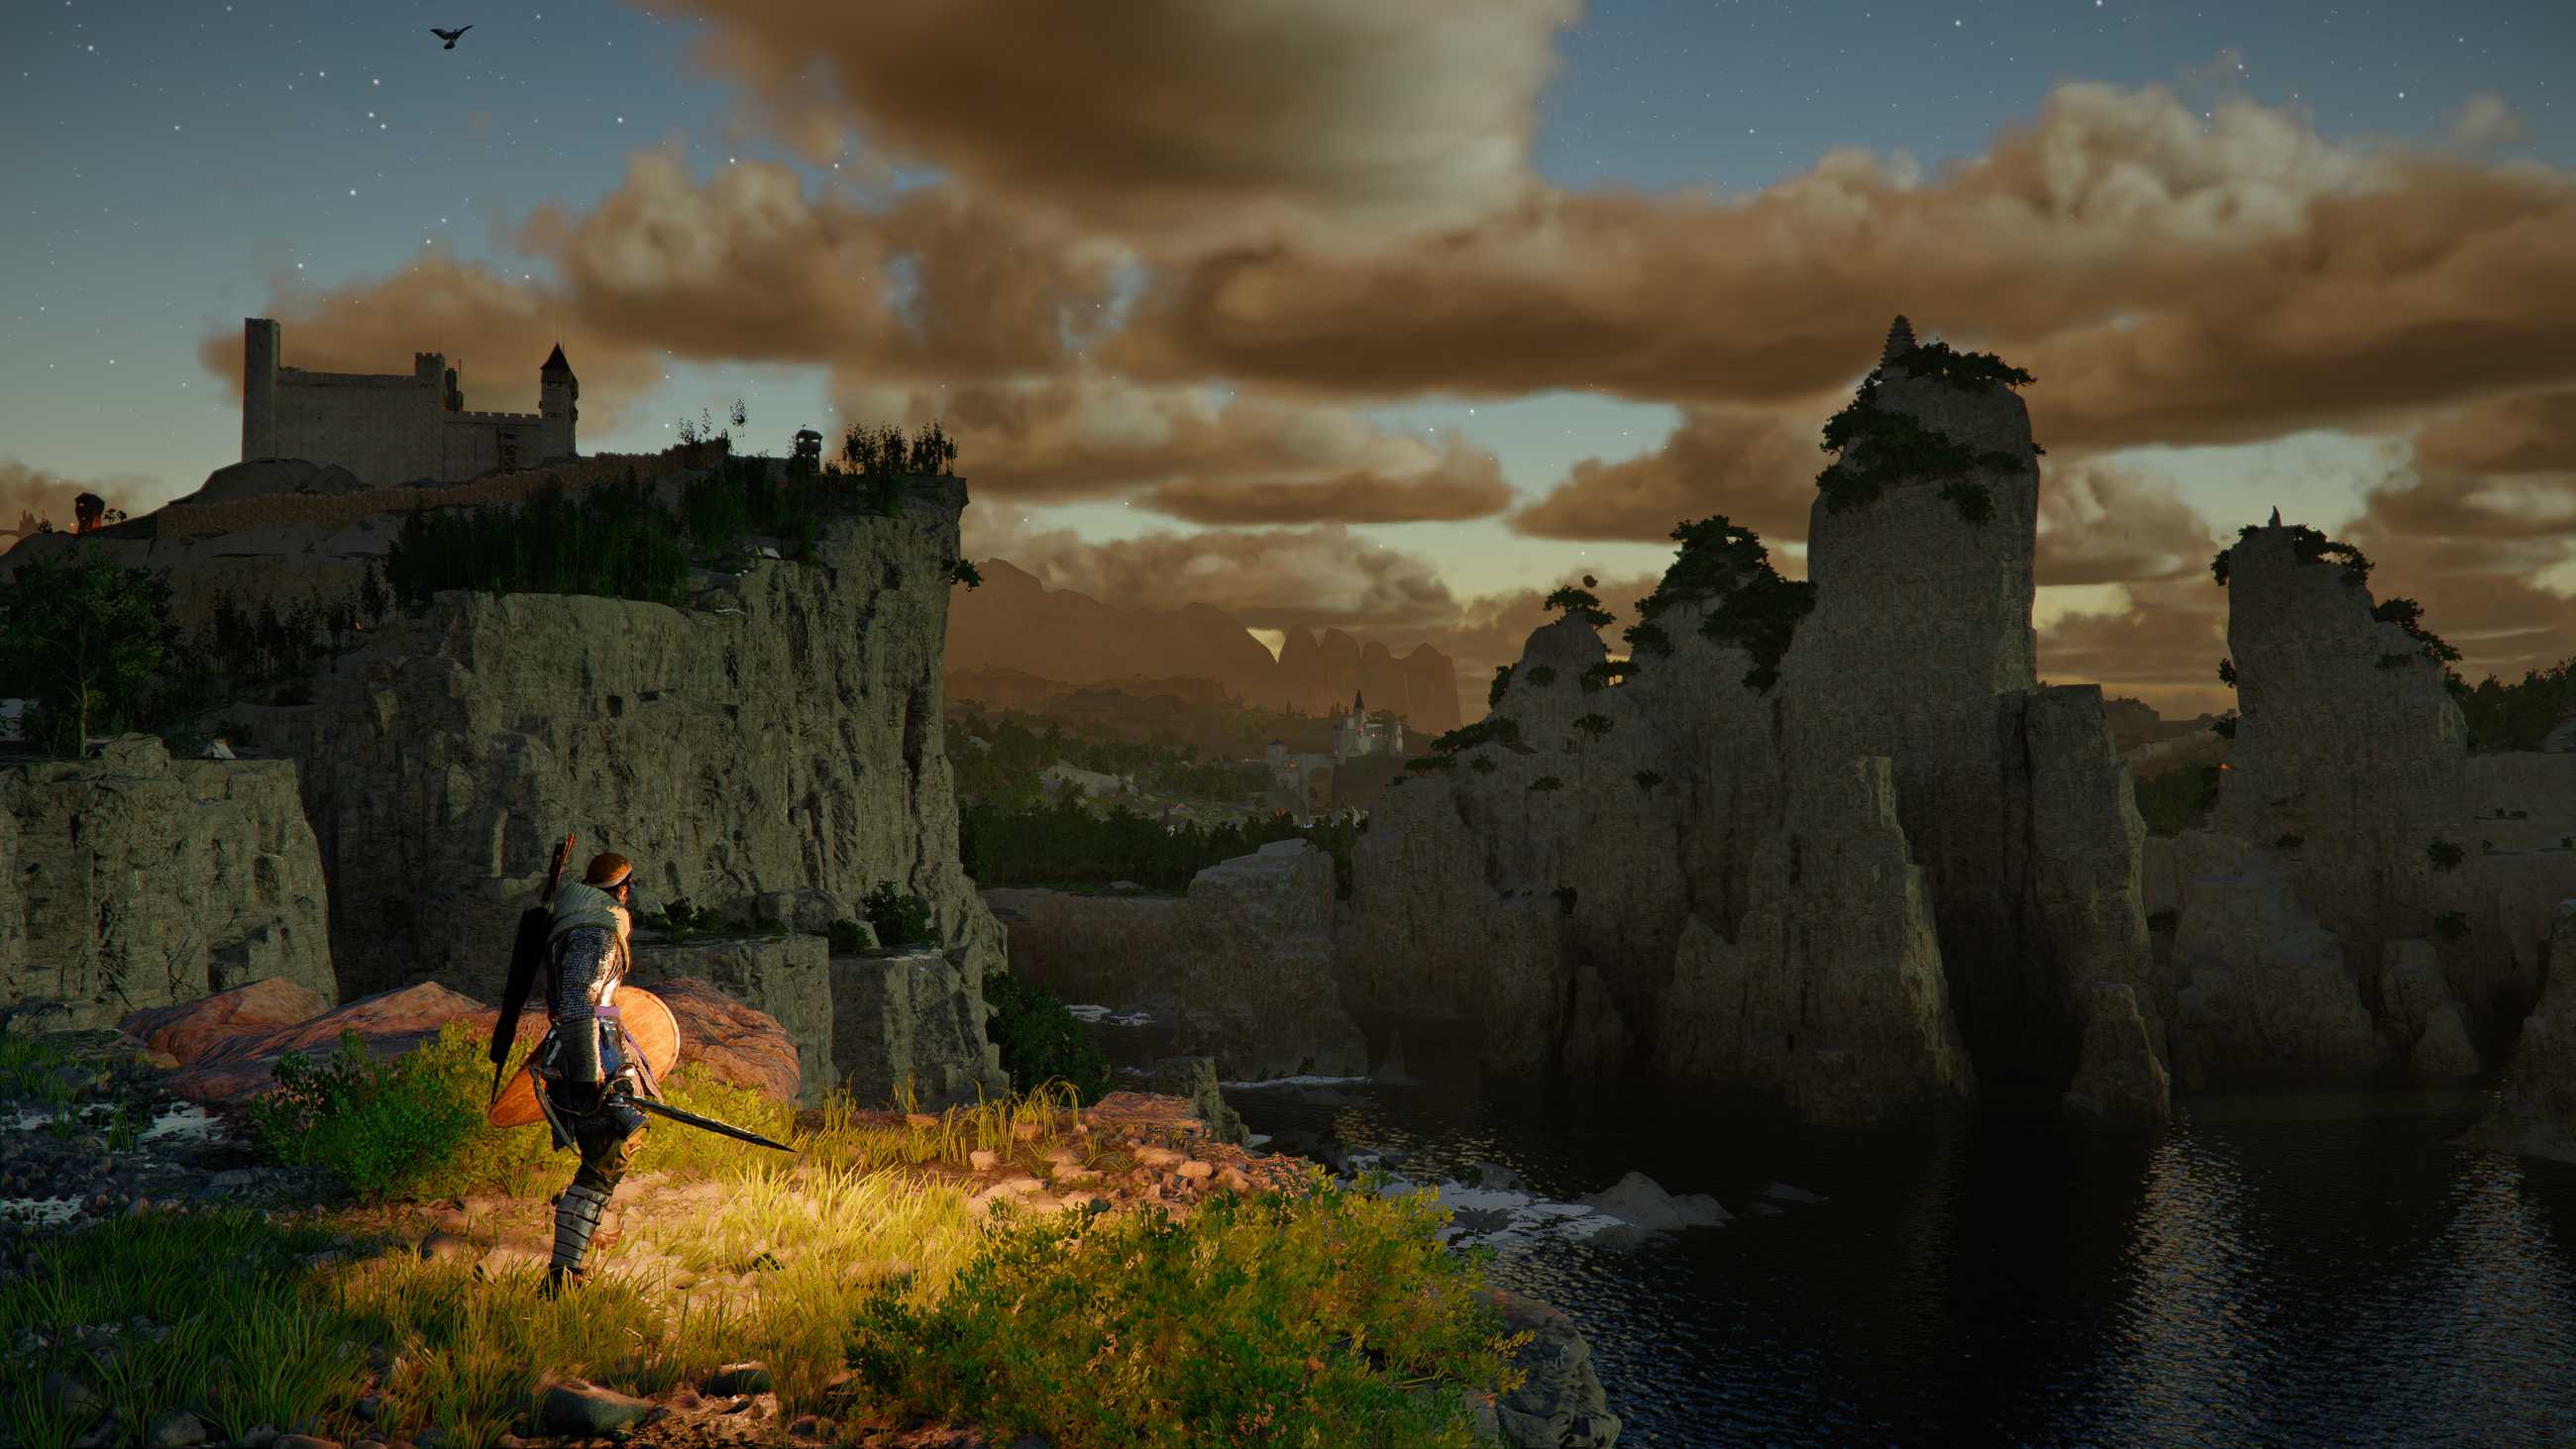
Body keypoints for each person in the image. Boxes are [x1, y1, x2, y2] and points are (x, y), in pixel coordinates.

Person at [535, 851, 649, 1294]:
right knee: (608, 1152)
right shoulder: (595, 931)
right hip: (589, 1052)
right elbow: (578, 1003)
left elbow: (592, 1000)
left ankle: (576, 1251)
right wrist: (591, 1073)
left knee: (608, 1155)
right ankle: (564, 1274)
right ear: (621, 889)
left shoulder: (582, 922)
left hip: (598, 1044)